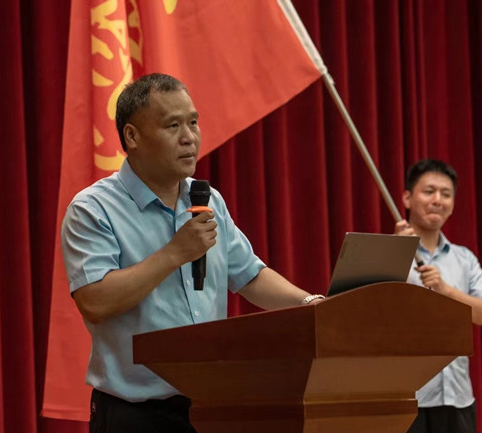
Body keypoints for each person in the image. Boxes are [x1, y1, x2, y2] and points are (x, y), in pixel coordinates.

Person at [61, 73, 325, 433]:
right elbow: (95, 301)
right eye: (173, 125)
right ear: (132, 136)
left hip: (210, 408)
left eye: (194, 122)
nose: (189, 137)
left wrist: (309, 304)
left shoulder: (206, 199)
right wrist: (174, 254)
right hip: (135, 415)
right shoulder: (93, 209)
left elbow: (249, 275)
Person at [394, 159, 482, 433]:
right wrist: (395, 253)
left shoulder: (465, 259)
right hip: (405, 397)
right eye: (429, 191)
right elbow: (367, 312)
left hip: (457, 396)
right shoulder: (388, 252)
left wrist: (445, 290)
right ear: (407, 198)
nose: (438, 200)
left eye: (446, 194)